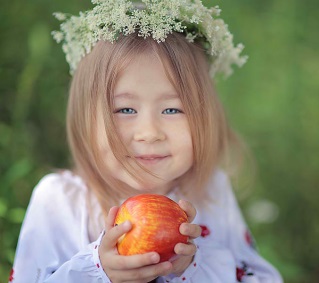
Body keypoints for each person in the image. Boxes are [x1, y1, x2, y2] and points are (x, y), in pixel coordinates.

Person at [10, 0, 283, 282]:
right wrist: (98, 271)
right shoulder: (60, 201)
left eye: (172, 109)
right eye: (125, 110)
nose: (150, 132)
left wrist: (194, 265)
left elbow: (258, 278)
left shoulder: (211, 192)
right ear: (84, 119)